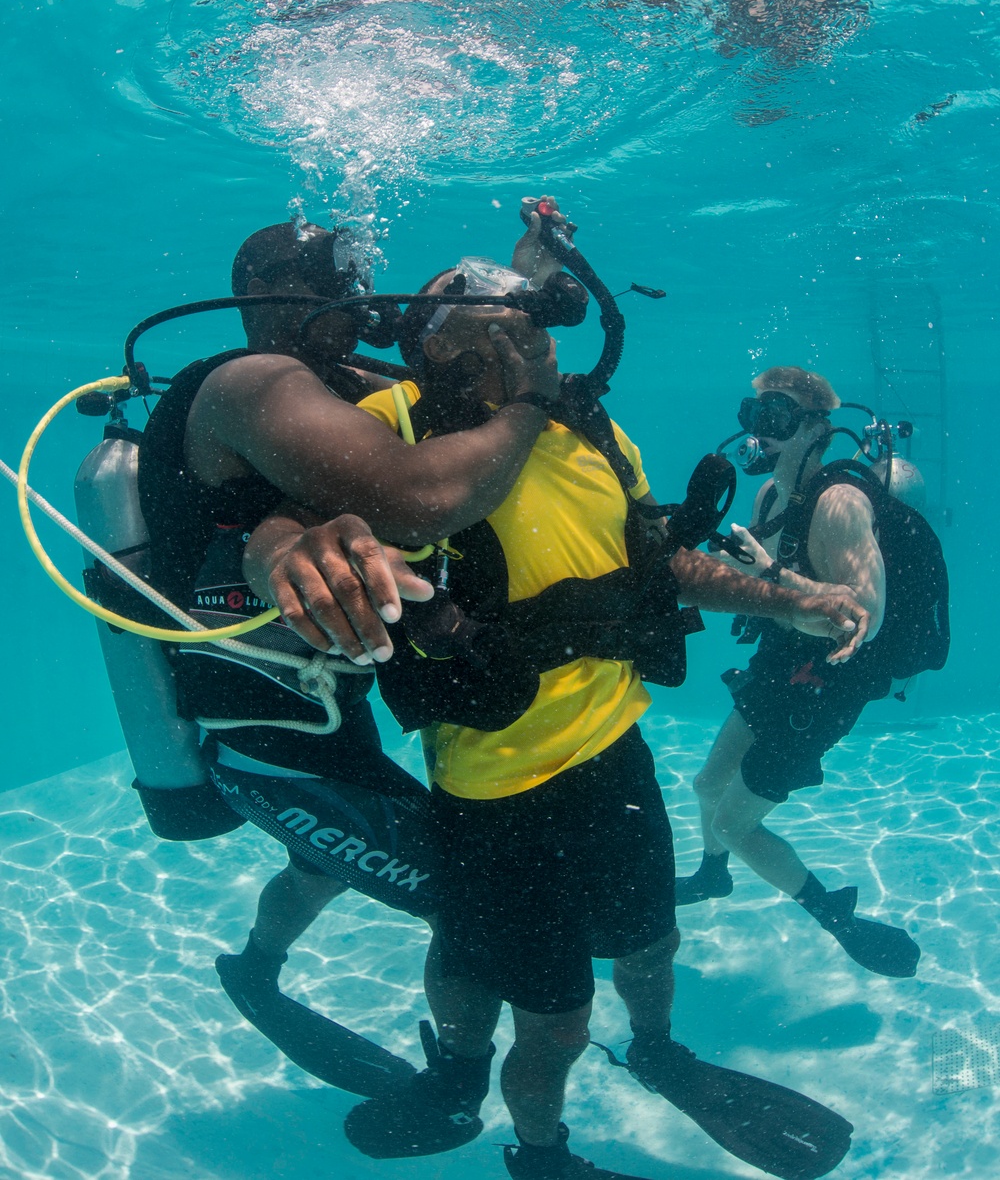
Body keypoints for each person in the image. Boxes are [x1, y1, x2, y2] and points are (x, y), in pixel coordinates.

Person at [253, 279, 867, 1179]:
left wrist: (792, 602)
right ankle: (535, 1147)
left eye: (528, 320)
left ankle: (658, 1050)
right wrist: (278, 551)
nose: (519, 337)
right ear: (433, 331)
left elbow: (657, 559)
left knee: (654, 945)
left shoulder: (590, 429)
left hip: (616, 755)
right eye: (489, 317)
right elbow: (288, 506)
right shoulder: (392, 420)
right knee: (551, 1019)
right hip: (494, 793)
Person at [135, 214, 565, 1061]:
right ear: (270, 297)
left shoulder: (327, 381)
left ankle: (255, 967)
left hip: (326, 700)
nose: (364, 305)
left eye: (364, 280)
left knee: (321, 862)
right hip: (268, 738)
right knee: (466, 894)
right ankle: (457, 1076)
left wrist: (519, 293)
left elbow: (443, 381)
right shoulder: (252, 381)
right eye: (342, 284)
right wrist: (531, 405)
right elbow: (418, 497)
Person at [675, 366, 922, 979]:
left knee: (735, 823)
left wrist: (775, 577)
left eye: (777, 418)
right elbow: (754, 578)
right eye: (752, 415)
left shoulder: (840, 502)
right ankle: (712, 876)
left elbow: (867, 616)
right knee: (709, 786)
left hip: (830, 682)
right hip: (781, 658)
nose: (760, 432)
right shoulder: (767, 497)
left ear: (816, 430)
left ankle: (835, 915)